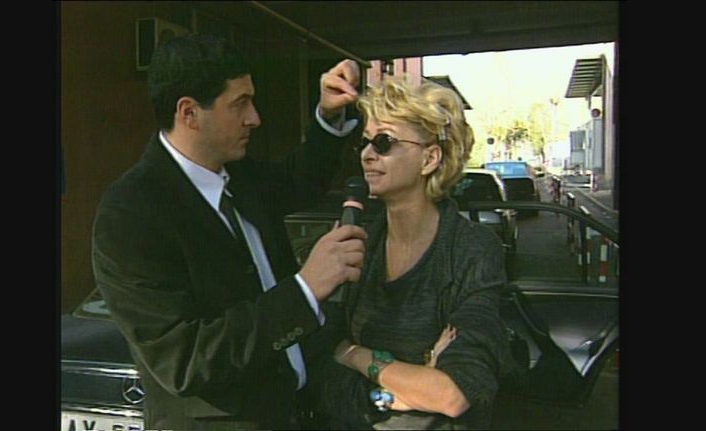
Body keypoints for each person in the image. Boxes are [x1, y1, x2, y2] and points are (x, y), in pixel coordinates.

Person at [91, 34, 367, 430]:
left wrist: (329, 114)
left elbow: (299, 180)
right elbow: (185, 362)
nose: (255, 118)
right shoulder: (131, 214)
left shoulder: (239, 174)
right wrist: (305, 290)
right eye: (240, 104)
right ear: (189, 112)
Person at [313, 76, 515, 429]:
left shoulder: (471, 249)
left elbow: (453, 394)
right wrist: (396, 391)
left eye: (384, 142)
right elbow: (319, 361)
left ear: (429, 158)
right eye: (365, 142)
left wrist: (353, 353)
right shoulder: (356, 242)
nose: (367, 154)